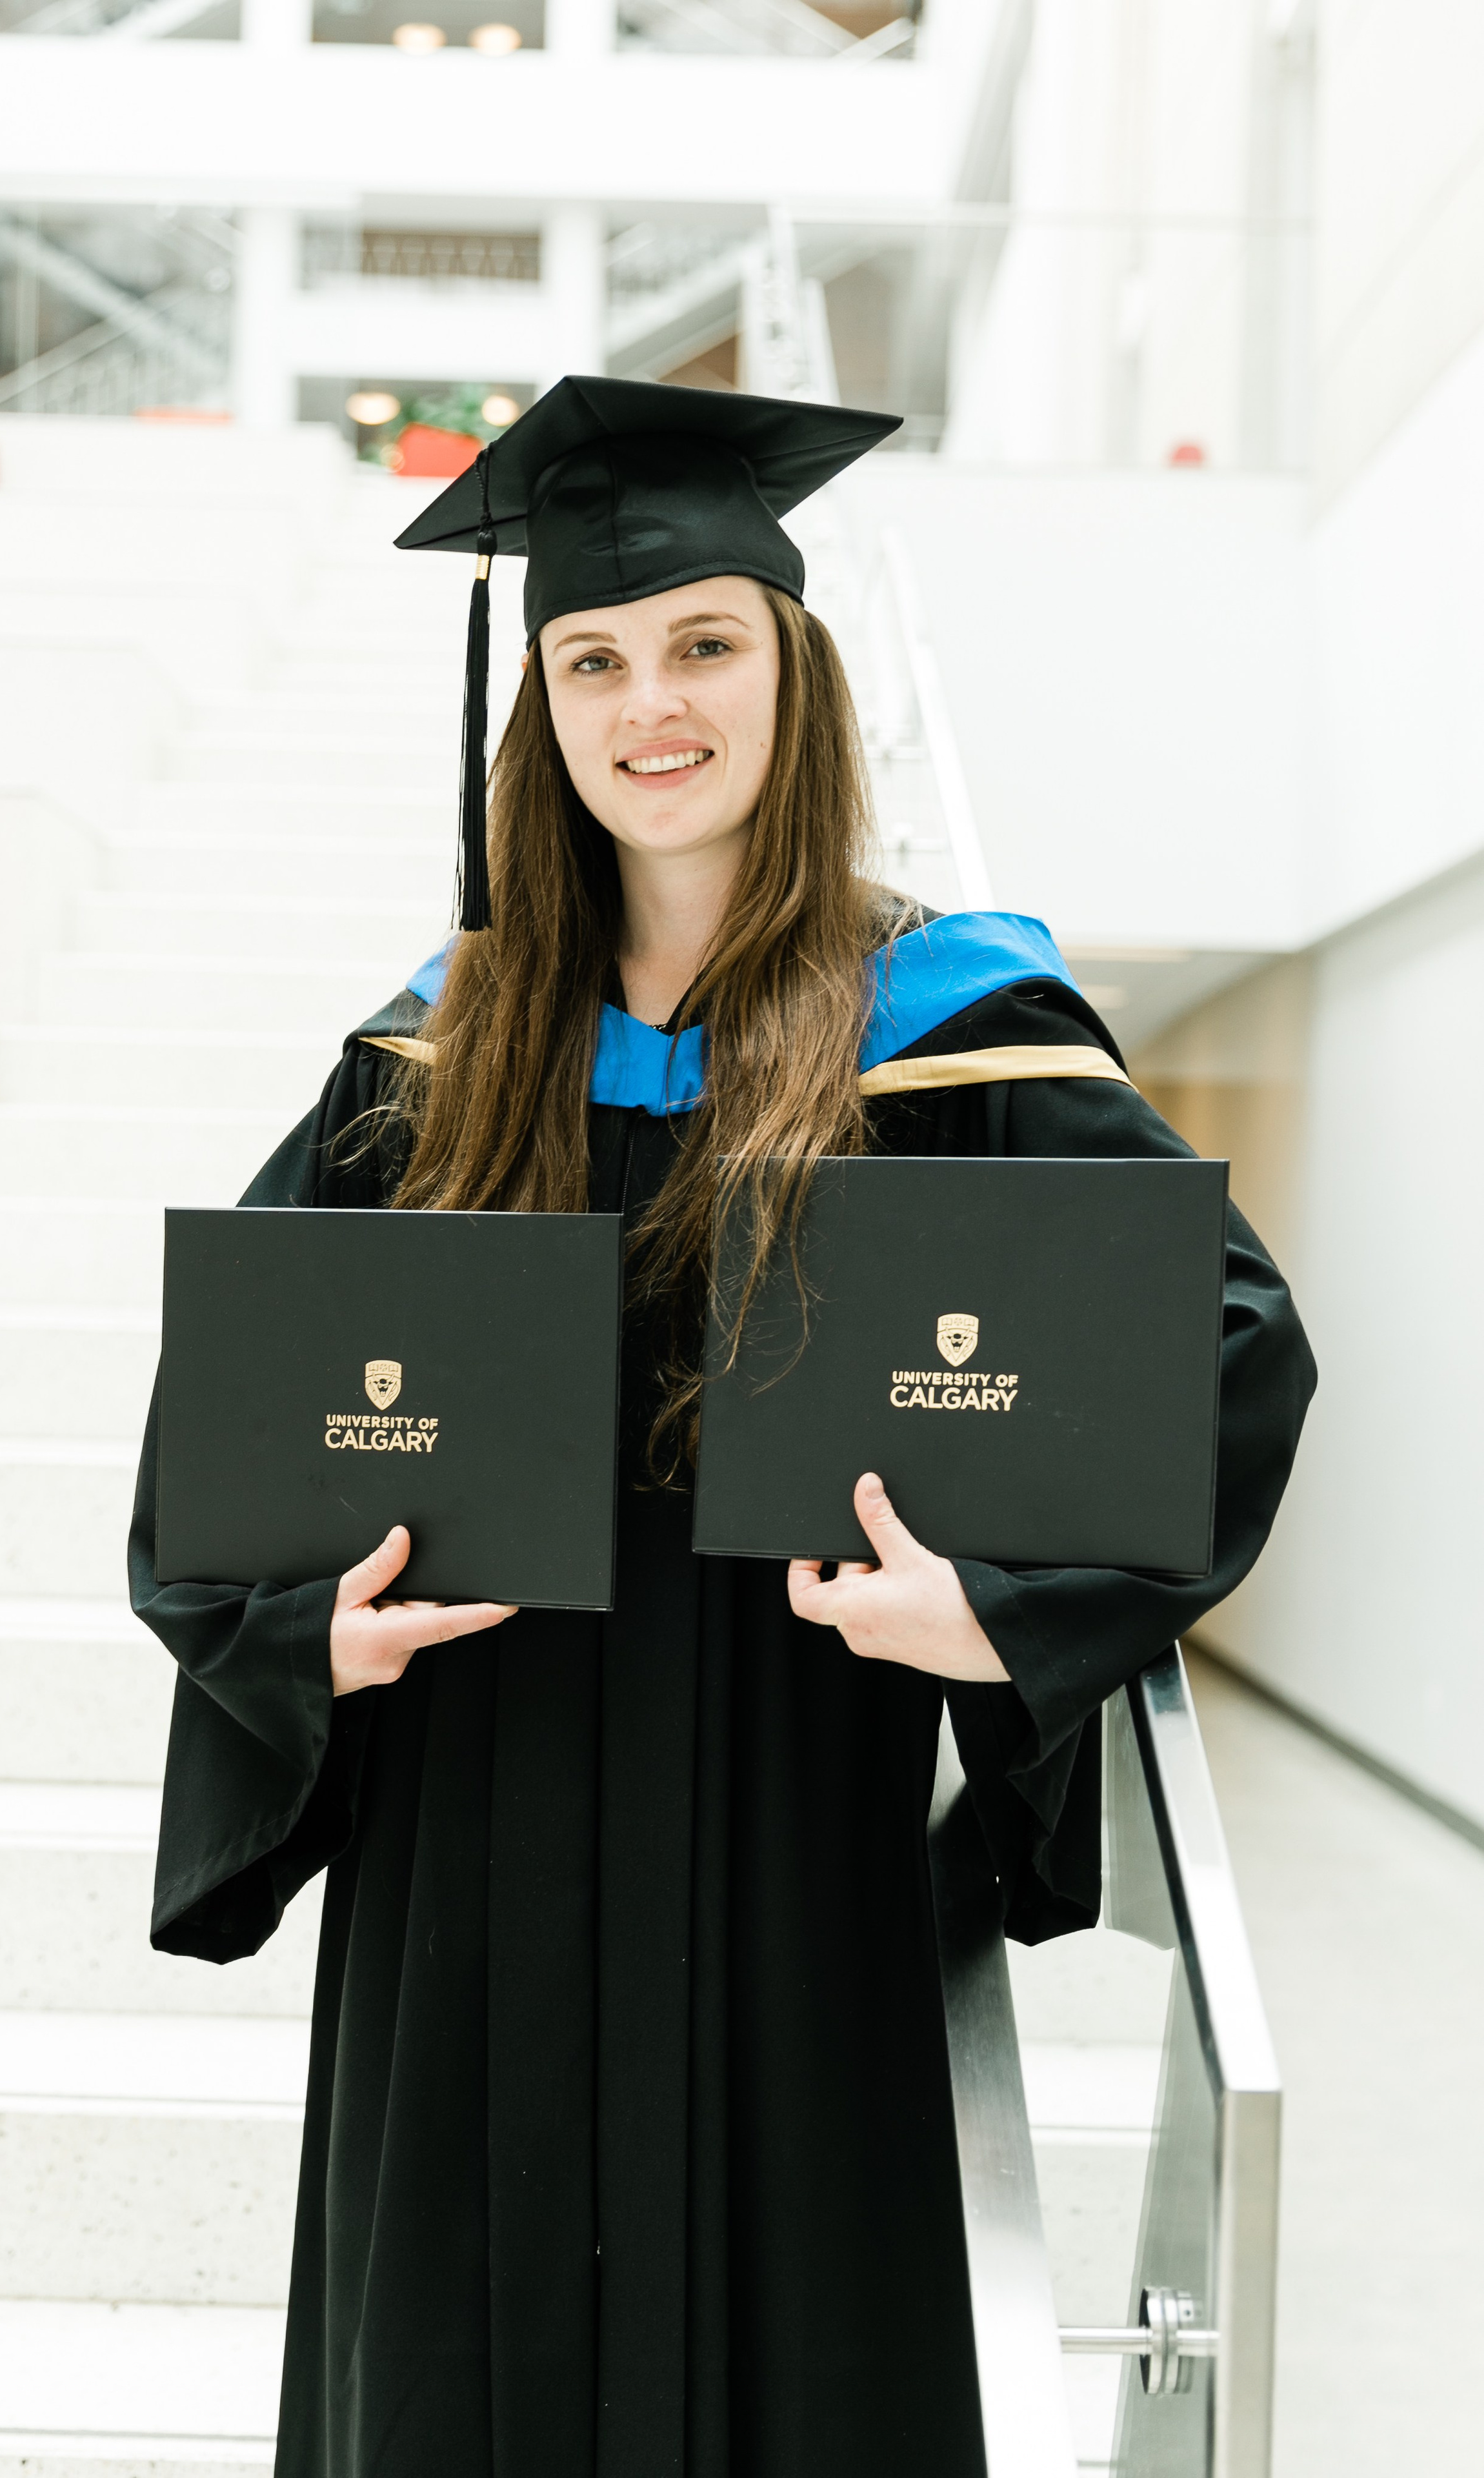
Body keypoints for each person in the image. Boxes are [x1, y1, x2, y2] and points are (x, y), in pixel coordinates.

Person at [130, 378, 1315, 2478]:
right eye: (591, 657)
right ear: (542, 710)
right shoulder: (435, 1047)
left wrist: (1005, 1618)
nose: (645, 704)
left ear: (796, 671)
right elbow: (237, 1409)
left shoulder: (952, 1027)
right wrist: (296, 1636)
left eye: (702, 643)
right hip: (471, 1840)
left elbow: (1222, 1339)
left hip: (790, 1831)